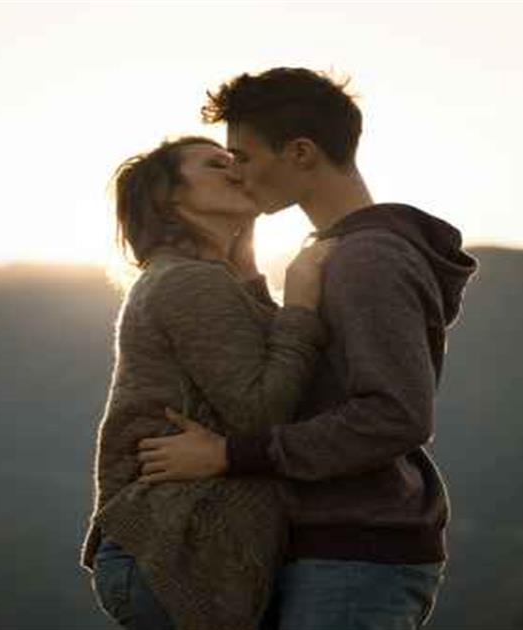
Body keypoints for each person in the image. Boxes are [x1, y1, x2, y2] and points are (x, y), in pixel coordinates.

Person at [135, 68, 479, 629]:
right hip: (323, 546)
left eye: (242, 156)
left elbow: (395, 416)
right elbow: (310, 381)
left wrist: (231, 455)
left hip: (358, 551)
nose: (236, 173)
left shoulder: (368, 259)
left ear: (299, 152)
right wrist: (248, 272)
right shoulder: (333, 253)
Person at [79, 136, 335, 629]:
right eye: (216, 164)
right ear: (169, 197)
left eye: (236, 160)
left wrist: (248, 266)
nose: (236, 169)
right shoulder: (191, 282)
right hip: (175, 551)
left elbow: (250, 354)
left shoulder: (189, 276)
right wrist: (302, 306)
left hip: (167, 548)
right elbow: (262, 412)